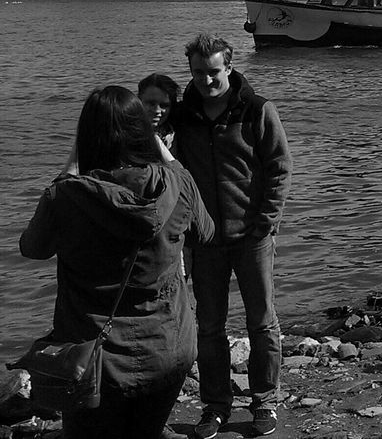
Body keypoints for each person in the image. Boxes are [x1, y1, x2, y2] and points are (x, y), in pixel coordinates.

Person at [20, 86, 214, 439]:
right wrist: (161, 149)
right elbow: (207, 231)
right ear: (143, 133)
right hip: (168, 347)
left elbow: (32, 248)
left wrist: (70, 166)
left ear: (86, 136)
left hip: (94, 359)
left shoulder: (66, 195)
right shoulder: (177, 184)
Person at [173, 34, 291, 438]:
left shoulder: (256, 110)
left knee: (262, 323)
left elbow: (279, 166)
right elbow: (159, 154)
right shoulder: (183, 116)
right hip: (204, 239)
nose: (206, 81)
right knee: (209, 327)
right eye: (198, 73)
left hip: (253, 235)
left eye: (213, 72)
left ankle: (265, 401)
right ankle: (216, 406)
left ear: (229, 67)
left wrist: (268, 219)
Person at [138, 73, 180, 149]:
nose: (157, 110)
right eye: (151, 103)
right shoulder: (126, 134)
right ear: (138, 101)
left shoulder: (182, 133)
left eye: (164, 105)